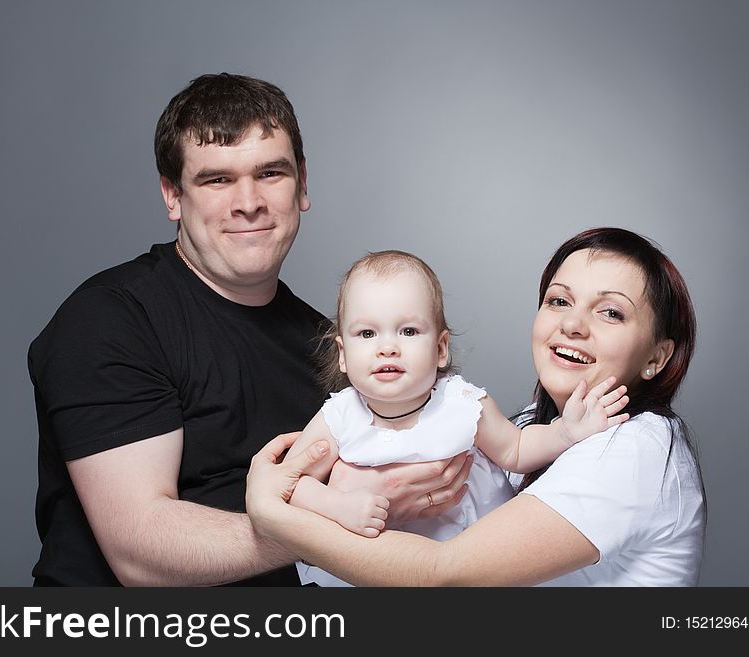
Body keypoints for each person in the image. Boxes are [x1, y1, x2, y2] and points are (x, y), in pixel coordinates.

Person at [27, 73, 468, 586]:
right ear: (172, 196)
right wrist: (355, 520)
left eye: (270, 173)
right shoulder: (110, 321)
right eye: (217, 179)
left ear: (303, 183)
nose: (249, 201)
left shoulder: (338, 347)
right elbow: (142, 553)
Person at [247, 227, 707, 586]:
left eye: (610, 312)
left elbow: (446, 573)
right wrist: (345, 496)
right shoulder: (530, 420)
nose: (572, 324)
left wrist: (273, 514)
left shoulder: (638, 447)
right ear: (343, 352)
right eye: (559, 300)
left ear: (656, 357)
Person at [286, 250, 630, 586]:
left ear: (440, 349)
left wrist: (567, 432)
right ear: (343, 355)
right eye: (367, 334)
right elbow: (292, 485)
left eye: (408, 332)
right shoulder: (339, 416)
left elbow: (516, 449)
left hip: (468, 562)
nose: (387, 347)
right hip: (374, 569)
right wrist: (337, 506)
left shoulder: (462, 404)